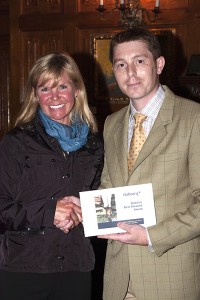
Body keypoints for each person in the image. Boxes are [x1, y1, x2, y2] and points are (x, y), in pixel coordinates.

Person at [98, 27, 200, 300]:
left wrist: (152, 236)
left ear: (159, 64)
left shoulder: (193, 118)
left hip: (170, 275)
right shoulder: (111, 124)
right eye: (121, 64)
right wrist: (86, 210)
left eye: (139, 61)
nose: (130, 72)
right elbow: (109, 188)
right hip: (119, 277)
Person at [0, 52, 104, 300]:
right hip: (23, 268)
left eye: (62, 86)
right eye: (45, 88)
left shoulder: (96, 144)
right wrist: (50, 211)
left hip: (76, 266)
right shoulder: (15, 143)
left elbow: (101, 200)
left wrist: (82, 212)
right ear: (35, 95)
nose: (54, 96)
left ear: (77, 90)